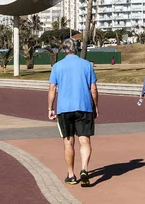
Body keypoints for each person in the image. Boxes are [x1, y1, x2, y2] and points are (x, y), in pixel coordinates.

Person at [47, 38, 98, 187]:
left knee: (68, 142)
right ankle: (84, 169)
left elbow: (52, 89)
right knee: (85, 140)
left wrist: (50, 108)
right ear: (75, 48)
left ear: (64, 49)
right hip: (84, 107)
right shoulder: (86, 65)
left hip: (64, 108)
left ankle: (71, 174)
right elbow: (93, 89)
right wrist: (95, 106)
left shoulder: (57, 66)